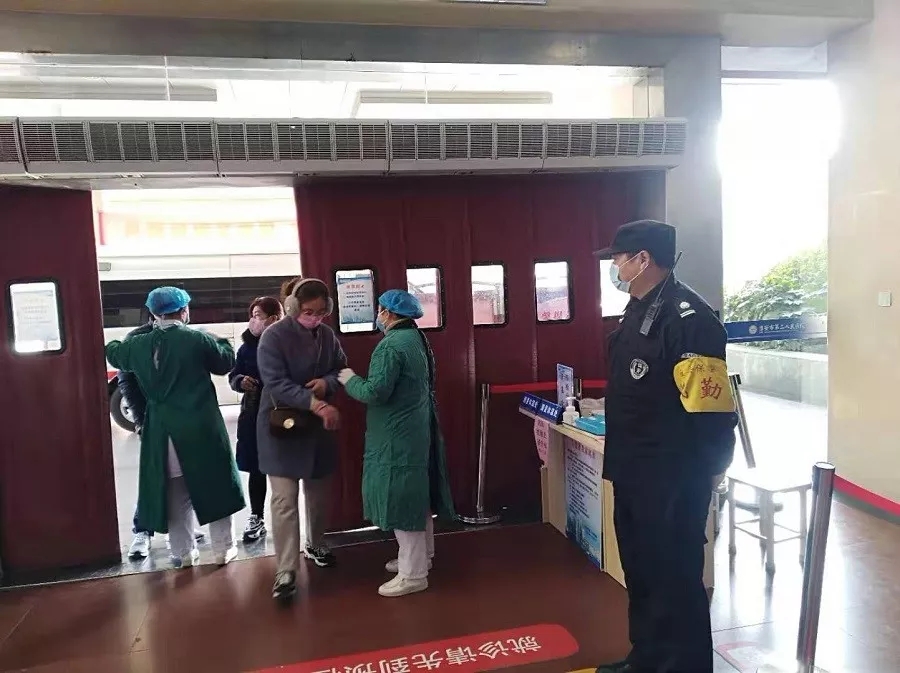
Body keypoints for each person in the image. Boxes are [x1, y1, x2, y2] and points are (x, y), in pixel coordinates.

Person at [593, 220, 738, 673]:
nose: (615, 267)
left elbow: (711, 407)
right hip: (635, 470)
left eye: (618, 258)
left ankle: (684, 666)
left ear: (643, 259)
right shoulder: (638, 309)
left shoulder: (688, 319)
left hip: (673, 475)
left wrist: (714, 467)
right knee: (642, 572)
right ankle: (647, 659)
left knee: (674, 577)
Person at [105, 287, 246, 569]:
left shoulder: (138, 344)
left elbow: (114, 352)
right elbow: (225, 361)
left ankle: (183, 553)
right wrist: (218, 339)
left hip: (162, 430)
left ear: (153, 313)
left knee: (175, 495)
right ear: (184, 311)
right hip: (201, 427)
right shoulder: (197, 339)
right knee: (217, 486)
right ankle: (222, 549)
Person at [338, 290, 455, 598]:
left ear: (388, 313)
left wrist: (349, 379)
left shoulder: (390, 346)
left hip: (396, 434)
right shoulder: (416, 339)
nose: (378, 315)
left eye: (380, 310)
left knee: (401, 499)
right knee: (417, 497)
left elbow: (375, 392)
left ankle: (413, 574)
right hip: (416, 428)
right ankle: (421, 558)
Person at [257, 277, 346, 601]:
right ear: (293, 307)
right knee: (284, 500)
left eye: (321, 312)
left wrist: (327, 383)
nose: (315, 318)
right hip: (281, 425)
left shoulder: (328, 336)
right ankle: (285, 570)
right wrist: (317, 404)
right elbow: (276, 382)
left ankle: (316, 543)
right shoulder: (273, 336)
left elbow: (342, 369)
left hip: (317, 431)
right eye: (309, 312)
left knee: (318, 496)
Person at [119, 314, 205, 560]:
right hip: (154, 422)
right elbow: (128, 384)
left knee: (182, 477)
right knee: (154, 477)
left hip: (183, 422)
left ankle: (180, 529)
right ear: (154, 314)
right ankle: (142, 531)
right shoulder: (138, 339)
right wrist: (141, 421)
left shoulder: (185, 338)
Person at [228, 296, 283, 543]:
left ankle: (286, 519)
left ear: (274, 318)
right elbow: (234, 375)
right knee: (256, 468)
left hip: (281, 413)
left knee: (284, 469)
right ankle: (256, 517)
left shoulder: (287, 343)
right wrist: (240, 381)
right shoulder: (246, 348)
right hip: (252, 413)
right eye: (252, 315)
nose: (253, 320)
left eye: (258, 315)